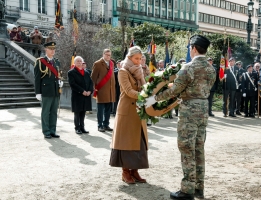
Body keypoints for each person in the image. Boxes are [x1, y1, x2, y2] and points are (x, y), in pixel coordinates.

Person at [145, 35, 216, 200]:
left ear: (194, 48)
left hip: (189, 110)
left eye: (190, 47)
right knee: (199, 148)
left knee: (186, 149)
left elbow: (173, 91)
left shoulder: (188, 68)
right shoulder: (211, 69)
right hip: (203, 109)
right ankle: (199, 187)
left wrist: (153, 99)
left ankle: (187, 190)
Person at [109, 46, 148, 184]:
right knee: (126, 142)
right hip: (127, 110)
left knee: (139, 142)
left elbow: (145, 86)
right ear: (130, 57)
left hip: (138, 110)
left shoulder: (139, 72)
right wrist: (145, 96)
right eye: (136, 59)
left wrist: (150, 91)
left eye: (140, 59)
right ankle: (125, 172)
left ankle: (135, 171)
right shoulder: (123, 71)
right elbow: (128, 91)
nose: (139, 61)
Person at [34, 42, 63, 139]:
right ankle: (46, 131)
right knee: (46, 112)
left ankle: (52, 130)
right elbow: (37, 78)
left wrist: (60, 81)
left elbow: (58, 75)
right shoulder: (40, 61)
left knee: (54, 112)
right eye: (50, 49)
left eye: (54, 49)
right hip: (46, 91)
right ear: (46, 49)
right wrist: (38, 92)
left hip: (55, 90)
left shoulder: (57, 61)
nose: (52, 51)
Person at [91, 49, 115, 132]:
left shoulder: (112, 63)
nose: (108, 56)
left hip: (110, 90)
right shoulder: (97, 64)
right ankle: (100, 125)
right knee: (100, 109)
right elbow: (93, 77)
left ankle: (106, 124)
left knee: (108, 109)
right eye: (107, 54)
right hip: (101, 89)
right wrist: (94, 87)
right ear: (103, 54)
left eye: (109, 55)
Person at [68, 56, 93, 134]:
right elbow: (72, 84)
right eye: (77, 61)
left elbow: (90, 83)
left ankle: (82, 127)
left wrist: (90, 91)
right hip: (77, 95)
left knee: (83, 112)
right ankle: (77, 128)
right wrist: (82, 91)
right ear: (74, 63)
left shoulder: (87, 72)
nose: (79, 62)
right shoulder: (71, 72)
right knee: (77, 112)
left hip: (86, 95)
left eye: (80, 61)